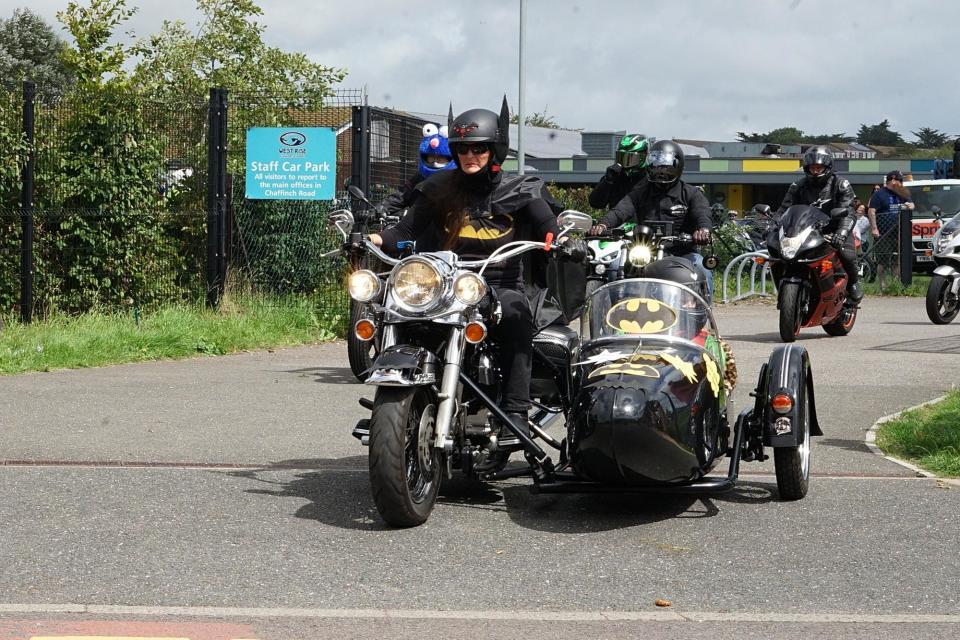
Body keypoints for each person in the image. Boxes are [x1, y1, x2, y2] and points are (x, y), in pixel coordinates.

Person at [369, 97, 583, 442]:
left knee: (516, 317)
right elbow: (405, 231)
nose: (470, 156)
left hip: (500, 282)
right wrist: (375, 238)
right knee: (400, 313)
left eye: (479, 149)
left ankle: (514, 409)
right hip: (445, 283)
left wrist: (564, 240)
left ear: (495, 150)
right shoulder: (438, 188)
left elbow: (547, 224)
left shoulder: (521, 189)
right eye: (464, 149)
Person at [587, 139, 714, 300]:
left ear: (678, 166)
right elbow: (621, 210)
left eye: (665, 165)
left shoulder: (690, 193)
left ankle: (704, 317)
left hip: (682, 252)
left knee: (704, 270)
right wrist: (603, 224)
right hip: (645, 251)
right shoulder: (640, 192)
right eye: (656, 164)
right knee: (614, 266)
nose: (660, 170)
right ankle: (614, 314)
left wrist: (703, 230)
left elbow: (702, 214)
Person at [775, 145, 861, 302]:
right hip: (805, 230)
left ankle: (854, 283)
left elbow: (848, 211)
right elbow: (783, 210)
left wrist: (841, 233)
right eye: (812, 167)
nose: (815, 171)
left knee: (846, 254)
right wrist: (772, 226)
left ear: (827, 167)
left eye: (819, 167)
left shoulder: (840, 184)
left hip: (833, 228)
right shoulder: (798, 186)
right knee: (779, 253)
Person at [380, 123, 457, 215]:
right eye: (432, 157)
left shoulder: (458, 180)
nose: (435, 161)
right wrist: (379, 210)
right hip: (417, 224)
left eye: (440, 158)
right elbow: (401, 196)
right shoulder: (419, 177)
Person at [588, 133, 648, 209]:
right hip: (616, 220)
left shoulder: (650, 179)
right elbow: (595, 203)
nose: (624, 162)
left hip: (643, 220)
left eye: (629, 158)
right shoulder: (614, 176)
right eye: (621, 157)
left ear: (642, 156)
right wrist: (607, 182)